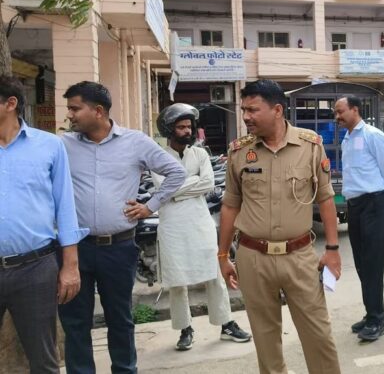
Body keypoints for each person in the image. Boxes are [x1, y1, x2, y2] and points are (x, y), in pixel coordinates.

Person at [59, 81, 186, 374]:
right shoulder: (63, 145)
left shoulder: (135, 142)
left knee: (120, 319)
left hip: (118, 247)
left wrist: (150, 206)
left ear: (98, 111)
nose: (70, 115)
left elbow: (176, 172)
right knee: (75, 321)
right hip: (74, 250)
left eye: (75, 108)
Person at [218, 80, 342, 373]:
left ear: (276, 110)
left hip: (300, 256)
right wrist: (223, 255)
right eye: (243, 109)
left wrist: (333, 249)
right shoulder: (239, 152)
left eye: (252, 110)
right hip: (253, 257)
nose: (246, 116)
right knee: (265, 339)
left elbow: (325, 199)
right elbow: (230, 205)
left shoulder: (310, 145)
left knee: (318, 334)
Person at [0, 76, 87, 373]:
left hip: (34, 268)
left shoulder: (49, 146)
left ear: (10, 104)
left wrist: (70, 266)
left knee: (44, 360)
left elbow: (65, 207)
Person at [153, 104, 250, 351]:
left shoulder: (200, 154)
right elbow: (163, 190)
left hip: (199, 221)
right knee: (177, 281)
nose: (187, 131)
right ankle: (185, 329)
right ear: (169, 129)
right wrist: (188, 183)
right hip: (172, 225)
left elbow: (207, 183)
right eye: (181, 127)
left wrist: (176, 189)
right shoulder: (158, 157)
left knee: (214, 274)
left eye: (189, 126)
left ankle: (226, 324)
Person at [334, 96, 384, 342]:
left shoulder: (373, 135)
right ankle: (374, 311)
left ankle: (376, 319)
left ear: (355, 110)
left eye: (340, 111)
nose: (337, 117)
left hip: (373, 202)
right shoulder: (347, 138)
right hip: (355, 204)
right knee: (361, 261)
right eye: (336, 112)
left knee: (372, 261)